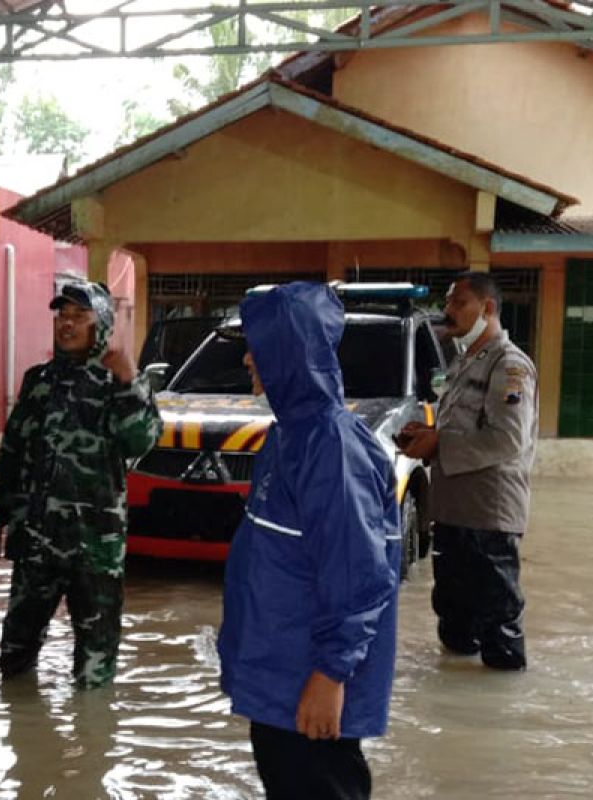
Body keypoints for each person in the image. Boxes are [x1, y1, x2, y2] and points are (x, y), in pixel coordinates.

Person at [217, 282, 401, 800]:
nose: (249, 358)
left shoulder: (331, 444)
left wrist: (330, 674)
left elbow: (359, 573)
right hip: (280, 681)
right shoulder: (290, 435)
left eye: (258, 344)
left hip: (307, 689)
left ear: (287, 350)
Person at [0, 279, 161, 689]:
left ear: (102, 323)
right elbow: (12, 452)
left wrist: (128, 381)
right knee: (14, 655)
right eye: (62, 315)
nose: (67, 324)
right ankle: (23, 740)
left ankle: (92, 748)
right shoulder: (38, 380)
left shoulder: (124, 382)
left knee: (94, 671)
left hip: (94, 548)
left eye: (79, 316)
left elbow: (139, 443)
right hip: (35, 543)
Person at [397, 271, 538, 671]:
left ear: (487, 308)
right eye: (448, 302)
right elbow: (461, 428)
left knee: (498, 628)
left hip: (487, 517)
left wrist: (439, 444)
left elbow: (508, 439)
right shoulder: (464, 362)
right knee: (454, 619)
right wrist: (427, 434)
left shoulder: (510, 367)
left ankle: (496, 720)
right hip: (454, 511)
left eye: (459, 302)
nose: (448, 310)